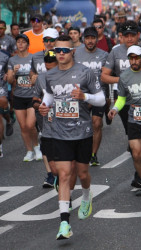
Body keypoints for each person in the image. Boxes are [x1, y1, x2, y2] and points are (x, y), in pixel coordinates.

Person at [39, 35, 105, 240]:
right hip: (60, 132)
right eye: (57, 50)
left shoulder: (86, 73)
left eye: (64, 50)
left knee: (83, 174)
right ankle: (65, 223)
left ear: (73, 51)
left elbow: (101, 99)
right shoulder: (49, 75)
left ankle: (86, 195)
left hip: (82, 131)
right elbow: (50, 96)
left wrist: (85, 97)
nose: (60, 53)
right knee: (64, 174)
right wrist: (44, 106)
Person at [101, 21, 141, 188]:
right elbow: (107, 79)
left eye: (133, 34)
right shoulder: (116, 55)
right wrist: (126, 81)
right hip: (130, 108)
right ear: (121, 37)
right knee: (135, 149)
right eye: (126, 35)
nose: (130, 38)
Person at [74, 27, 108, 166]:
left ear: (97, 39)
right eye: (87, 38)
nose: (90, 41)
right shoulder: (76, 54)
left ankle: (93, 154)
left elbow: (107, 75)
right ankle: (80, 151)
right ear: (83, 39)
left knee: (97, 123)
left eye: (92, 38)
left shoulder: (105, 55)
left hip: (98, 93)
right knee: (80, 124)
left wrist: (110, 96)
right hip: (80, 94)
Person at [8, 34, 42, 162]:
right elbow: (10, 80)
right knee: (23, 126)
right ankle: (29, 151)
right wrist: (14, 73)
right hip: (18, 96)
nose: (20, 44)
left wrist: (35, 78)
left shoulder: (34, 58)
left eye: (23, 42)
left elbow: (39, 75)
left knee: (30, 124)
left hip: (32, 95)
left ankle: (37, 147)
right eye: (18, 42)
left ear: (28, 45)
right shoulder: (12, 60)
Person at [32, 49, 58, 187]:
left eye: (52, 64)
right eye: (47, 64)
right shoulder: (41, 78)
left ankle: (62, 173)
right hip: (46, 118)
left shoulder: (68, 75)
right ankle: (50, 175)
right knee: (46, 145)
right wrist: (39, 106)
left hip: (64, 119)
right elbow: (34, 100)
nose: (49, 67)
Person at [0, 47, 10, 157]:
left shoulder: (4, 56)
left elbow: (9, 73)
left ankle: (0, 146)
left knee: (2, 113)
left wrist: (9, 75)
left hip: (1, 88)